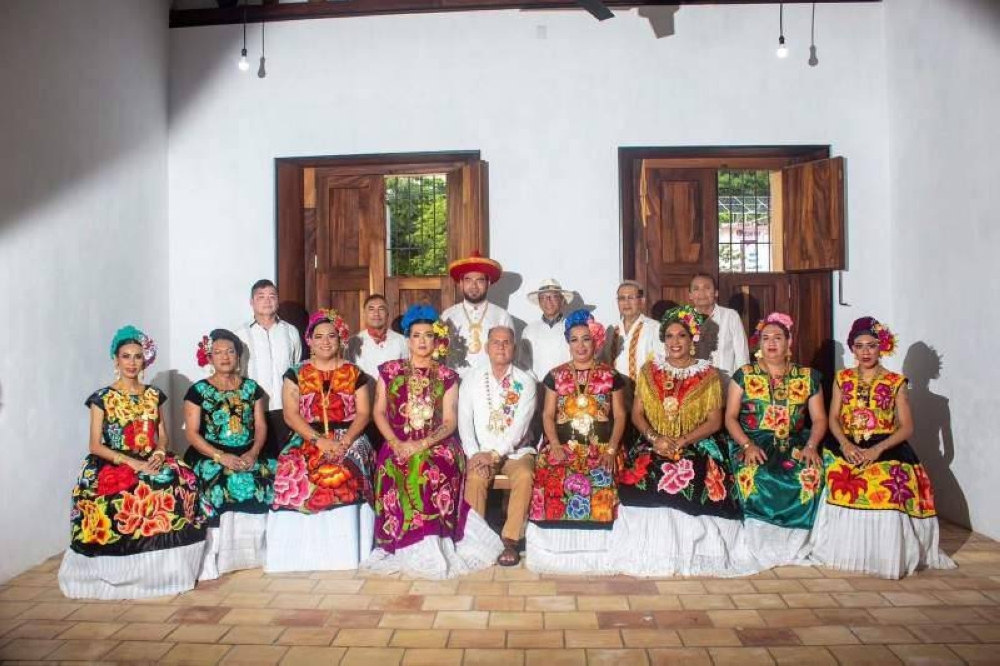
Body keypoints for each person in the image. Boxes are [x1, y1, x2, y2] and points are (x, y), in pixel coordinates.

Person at [58, 326, 207, 599]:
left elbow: (162, 435)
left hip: (151, 456)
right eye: (126, 356)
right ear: (116, 360)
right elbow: (95, 445)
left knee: (182, 481)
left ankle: (168, 571)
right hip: (113, 460)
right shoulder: (101, 398)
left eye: (137, 356)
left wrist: (161, 453)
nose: (132, 362)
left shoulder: (153, 395)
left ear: (144, 360)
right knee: (124, 494)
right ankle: (120, 571)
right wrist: (132, 464)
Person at [611, 306, 755, 577]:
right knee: (644, 474)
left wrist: (682, 442)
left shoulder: (709, 374)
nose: (675, 342)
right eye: (669, 336)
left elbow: (715, 421)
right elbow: (637, 414)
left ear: (692, 340)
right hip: (655, 442)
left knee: (694, 476)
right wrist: (654, 439)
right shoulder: (648, 370)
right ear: (663, 341)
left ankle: (695, 552)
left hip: (696, 442)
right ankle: (652, 551)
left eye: (681, 336)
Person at [809, 317, 956, 578]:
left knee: (887, 485)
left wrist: (877, 451)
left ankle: (886, 556)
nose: (865, 352)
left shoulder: (896, 382)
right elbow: (832, 418)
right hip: (848, 444)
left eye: (871, 345)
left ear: (882, 347)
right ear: (852, 349)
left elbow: (907, 427)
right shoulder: (842, 379)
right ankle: (845, 551)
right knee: (839, 478)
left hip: (887, 445)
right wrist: (845, 444)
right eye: (859, 346)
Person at [363, 305, 502, 578]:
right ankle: (403, 543)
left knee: (431, 468)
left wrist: (420, 445)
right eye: (416, 335)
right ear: (408, 339)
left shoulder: (447, 376)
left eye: (428, 335)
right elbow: (378, 411)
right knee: (394, 465)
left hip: (438, 444)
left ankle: (432, 539)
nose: (422, 341)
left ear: (436, 340)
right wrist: (394, 441)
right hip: (397, 441)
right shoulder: (389, 371)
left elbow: (449, 421)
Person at [266, 309, 375, 572]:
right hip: (307, 435)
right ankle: (297, 554)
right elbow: (291, 415)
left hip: (349, 436)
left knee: (346, 468)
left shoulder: (354, 372)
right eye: (319, 336)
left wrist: (346, 440)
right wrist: (318, 441)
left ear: (340, 339)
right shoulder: (296, 373)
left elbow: (364, 413)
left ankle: (343, 553)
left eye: (331, 336)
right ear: (309, 341)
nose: (325, 341)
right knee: (292, 466)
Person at [526, 309, 626, 574]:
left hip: (601, 448)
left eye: (586, 339)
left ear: (595, 342)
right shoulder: (555, 375)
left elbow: (621, 415)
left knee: (603, 477)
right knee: (551, 475)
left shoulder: (610, 375)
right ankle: (553, 552)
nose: (580, 346)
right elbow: (547, 415)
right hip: (563, 447)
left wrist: (613, 449)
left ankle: (600, 554)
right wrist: (555, 445)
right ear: (567, 343)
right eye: (574, 340)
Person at [725, 313, 827, 569]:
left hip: (796, 442)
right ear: (758, 343)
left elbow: (819, 419)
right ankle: (759, 545)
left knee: (809, 473)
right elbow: (730, 418)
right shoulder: (744, 375)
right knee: (755, 473)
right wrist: (747, 445)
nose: (771, 343)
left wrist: (811, 446)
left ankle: (796, 545)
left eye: (778, 338)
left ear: (789, 342)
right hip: (753, 440)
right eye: (766, 338)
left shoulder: (808, 377)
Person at [184, 329, 272, 580]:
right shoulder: (198, 390)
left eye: (230, 351)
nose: (224, 357)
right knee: (221, 482)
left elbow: (261, 425)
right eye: (218, 353)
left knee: (267, 477)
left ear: (238, 356)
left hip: (247, 451)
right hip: (209, 454)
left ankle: (256, 554)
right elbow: (191, 433)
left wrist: (254, 453)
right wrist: (220, 457)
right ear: (209, 358)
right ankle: (218, 559)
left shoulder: (251, 388)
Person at [459, 326, 538, 566]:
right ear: (486, 347)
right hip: (481, 453)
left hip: (515, 454)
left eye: (506, 342)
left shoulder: (526, 381)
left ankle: (510, 541)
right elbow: (464, 422)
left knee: (525, 476)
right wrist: (474, 454)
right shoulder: (472, 378)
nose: (501, 347)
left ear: (514, 348)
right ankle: (476, 542)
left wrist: (492, 455)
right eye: (496, 342)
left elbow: (518, 431)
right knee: (474, 478)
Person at [236, 279, 302, 460]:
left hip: (285, 408)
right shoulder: (240, 334)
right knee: (260, 462)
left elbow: (295, 366)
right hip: (254, 409)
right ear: (252, 302)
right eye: (261, 297)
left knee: (285, 460)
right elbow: (237, 372)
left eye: (272, 296)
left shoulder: (291, 332)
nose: (267, 301)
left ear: (277, 300)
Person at [440, 251, 514, 377]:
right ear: (461, 283)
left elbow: (510, 355)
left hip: (491, 383)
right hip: (455, 383)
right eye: (468, 280)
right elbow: (440, 354)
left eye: (479, 280)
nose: (474, 286)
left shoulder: (502, 316)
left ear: (488, 283)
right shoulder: (448, 315)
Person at [689, 273, 750, 382]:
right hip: (692, 387)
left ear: (716, 292)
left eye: (707, 288)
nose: (702, 293)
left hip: (725, 386)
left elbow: (742, 356)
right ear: (690, 295)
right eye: (696, 289)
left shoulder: (731, 316)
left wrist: (740, 387)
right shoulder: (683, 320)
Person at [519, 278, 573, 381]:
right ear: (539, 302)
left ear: (562, 301)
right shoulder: (529, 330)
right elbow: (523, 363)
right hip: (537, 386)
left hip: (566, 387)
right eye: (543, 297)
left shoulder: (572, 327)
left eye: (553, 297)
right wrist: (534, 383)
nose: (548, 301)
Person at [607, 281, 660, 386]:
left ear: (642, 301)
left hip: (644, 393)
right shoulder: (611, 330)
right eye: (622, 298)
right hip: (616, 394)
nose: (626, 303)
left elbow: (661, 362)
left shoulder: (654, 328)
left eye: (631, 298)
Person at [346, 294, 409, 380]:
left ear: (387, 314)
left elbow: (408, 373)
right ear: (364, 314)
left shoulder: (402, 341)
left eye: (381, 309)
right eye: (371, 309)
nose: (376, 314)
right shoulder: (352, 343)